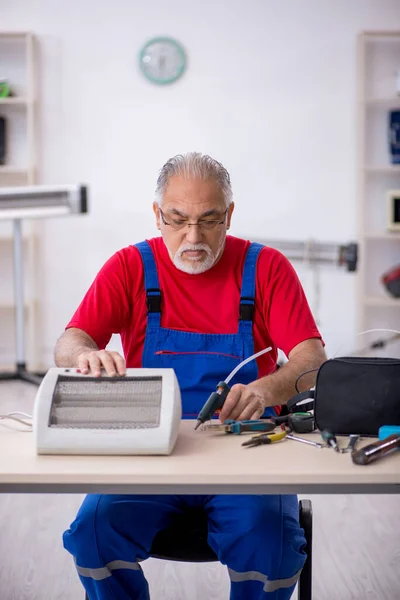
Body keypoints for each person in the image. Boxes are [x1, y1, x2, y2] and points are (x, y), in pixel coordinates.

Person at [56, 152, 326, 600]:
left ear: (229, 215)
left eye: (208, 219)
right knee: (92, 536)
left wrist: (265, 389)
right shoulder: (129, 267)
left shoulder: (267, 268)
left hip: (247, 450)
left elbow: (312, 362)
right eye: (178, 219)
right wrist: (86, 355)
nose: (192, 236)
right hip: (148, 454)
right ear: (157, 214)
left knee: (272, 547)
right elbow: (69, 340)